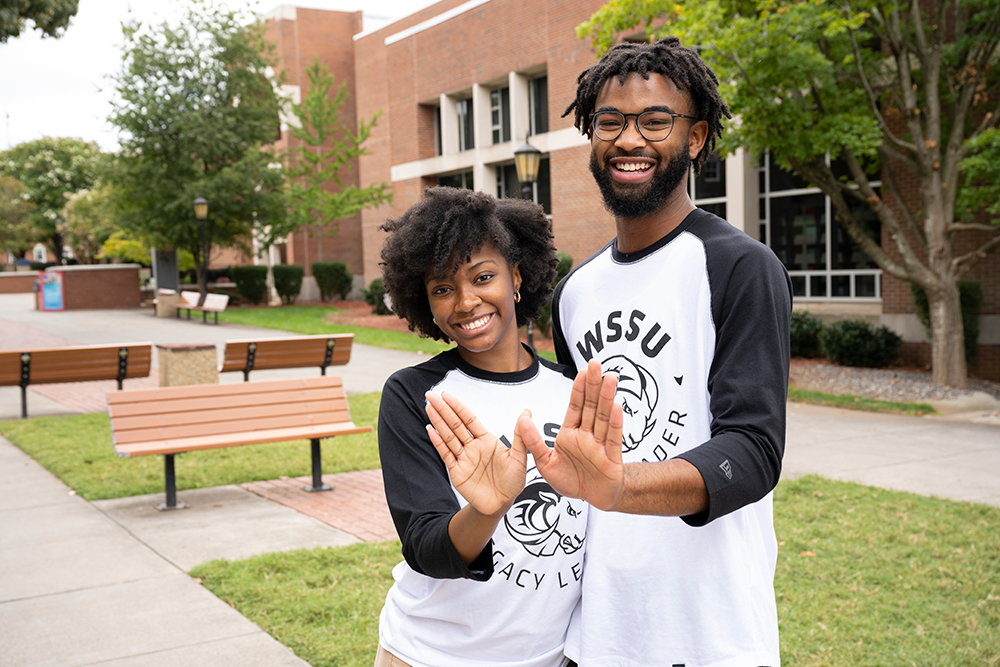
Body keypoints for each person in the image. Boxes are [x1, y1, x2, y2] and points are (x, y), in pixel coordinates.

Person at [518, 37, 794, 666]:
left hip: (707, 633)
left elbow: (753, 452)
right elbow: (575, 448)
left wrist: (620, 486)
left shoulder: (739, 266)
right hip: (596, 635)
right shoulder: (573, 291)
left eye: (655, 121)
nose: (629, 139)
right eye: (609, 121)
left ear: (695, 139)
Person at [374, 187, 606, 667]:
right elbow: (426, 549)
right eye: (442, 288)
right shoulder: (417, 395)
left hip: (550, 657)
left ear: (516, 277)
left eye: (482, 277)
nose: (465, 301)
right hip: (430, 655)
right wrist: (487, 509)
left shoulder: (575, 391)